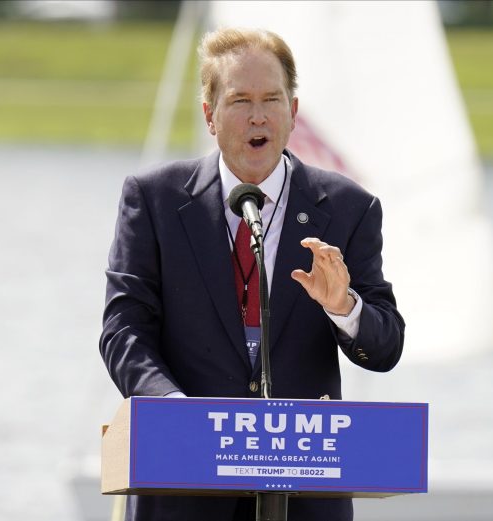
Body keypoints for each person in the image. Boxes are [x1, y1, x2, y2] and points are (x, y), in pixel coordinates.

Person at [100, 27, 405, 521]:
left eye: (272, 100)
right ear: (210, 115)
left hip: (305, 498)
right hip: (180, 490)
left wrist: (343, 308)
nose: (258, 116)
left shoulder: (350, 208)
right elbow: (122, 332)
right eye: (240, 100)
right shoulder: (153, 199)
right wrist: (174, 410)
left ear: (294, 112)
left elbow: (386, 347)